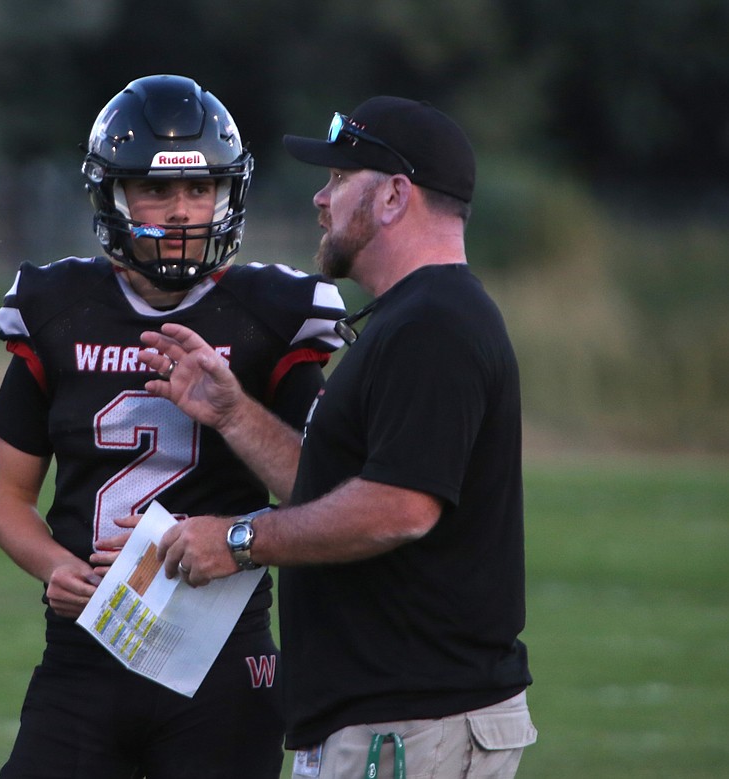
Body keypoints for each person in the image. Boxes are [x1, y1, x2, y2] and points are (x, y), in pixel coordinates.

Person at [139, 97, 538, 778]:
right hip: (391, 720)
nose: (320, 200)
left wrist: (239, 540)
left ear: (392, 196)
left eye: (337, 180)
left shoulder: (435, 324)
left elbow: (400, 508)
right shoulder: (409, 319)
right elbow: (336, 490)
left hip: (416, 723)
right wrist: (235, 413)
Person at [0, 74, 348, 778]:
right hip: (85, 652)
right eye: (157, 189)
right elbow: (8, 498)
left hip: (222, 659)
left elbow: (325, 491)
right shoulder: (58, 306)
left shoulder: (271, 312)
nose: (182, 211)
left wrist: (237, 411)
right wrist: (54, 564)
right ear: (113, 193)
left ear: (228, 193)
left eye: (200, 188)